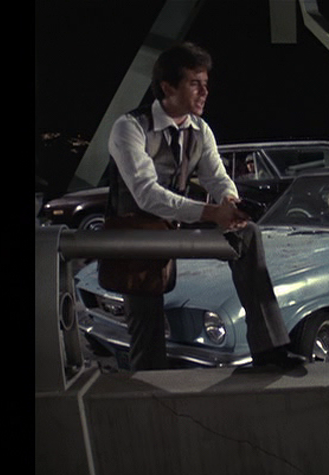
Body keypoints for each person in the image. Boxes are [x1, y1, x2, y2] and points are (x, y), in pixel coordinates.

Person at [106, 42, 305, 370]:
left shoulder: (200, 130)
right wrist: (212, 212)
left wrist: (230, 202)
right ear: (168, 87)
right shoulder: (129, 127)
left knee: (247, 234)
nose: (204, 92)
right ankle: (150, 383)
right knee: (146, 327)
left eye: (205, 84)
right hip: (137, 232)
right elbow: (146, 194)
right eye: (195, 83)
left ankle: (269, 349)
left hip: (176, 224)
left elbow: (217, 177)